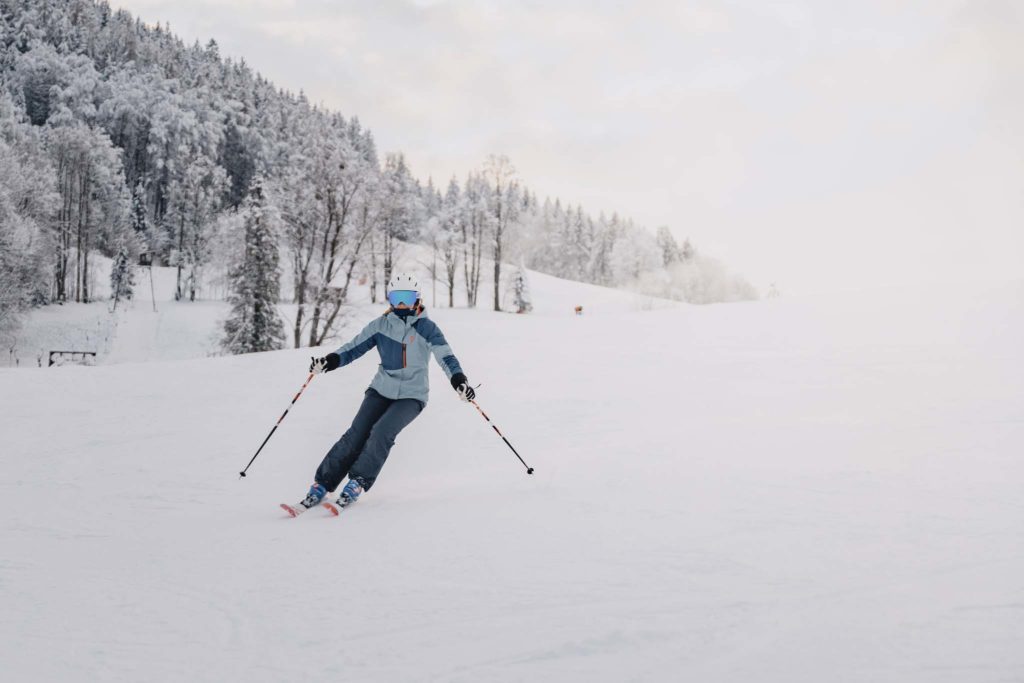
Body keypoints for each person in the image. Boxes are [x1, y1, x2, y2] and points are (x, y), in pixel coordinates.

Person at [285, 273, 476, 515]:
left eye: (407, 298)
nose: (402, 304)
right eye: (397, 298)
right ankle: (322, 484)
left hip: (412, 396)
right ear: (390, 300)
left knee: (382, 432)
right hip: (380, 389)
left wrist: (459, 380)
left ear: (417, 299)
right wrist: (329, 361)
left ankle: (357, 482)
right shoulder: (381, 325)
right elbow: (352, 348)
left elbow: (445, 356)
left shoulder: (428, 328)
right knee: (355, 434)